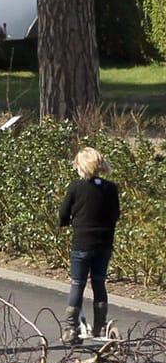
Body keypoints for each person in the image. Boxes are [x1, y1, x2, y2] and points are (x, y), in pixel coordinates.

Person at [57, 146, 122, 345]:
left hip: (82, 242)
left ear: (81, 167)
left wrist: (65, 222)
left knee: (78, 283)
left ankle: (70, 327)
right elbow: (115, 214)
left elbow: (63, 213)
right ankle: (100, 325)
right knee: (99, 282)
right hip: (104, 242)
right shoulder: (110, 188)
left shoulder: (76, 187)